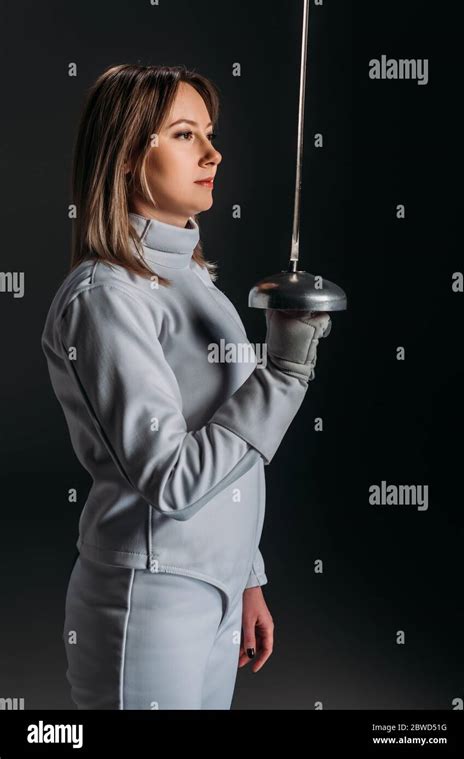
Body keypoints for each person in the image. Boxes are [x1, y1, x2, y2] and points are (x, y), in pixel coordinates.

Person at [41, 63, 331, 710]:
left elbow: (226, 450)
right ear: (123, 156)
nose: (212, 152)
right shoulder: (105, 300)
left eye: (208, 132)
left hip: (213, 591)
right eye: (182, 134)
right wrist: (284, 376)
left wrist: (245, 577)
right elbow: (172, 477)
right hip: (148, 598)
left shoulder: (198, 282)